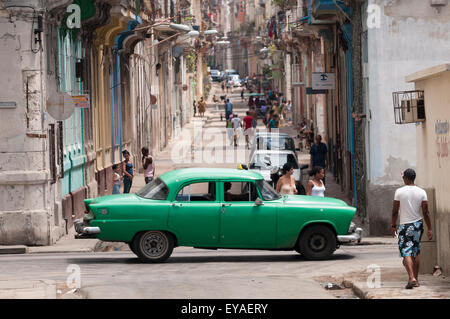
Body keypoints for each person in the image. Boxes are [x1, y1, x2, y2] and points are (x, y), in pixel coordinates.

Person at [391, 168, 432, 289]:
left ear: (407, 178)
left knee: (406, 252)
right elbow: (426, 212)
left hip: (405, 225)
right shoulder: (422, 192)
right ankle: (417, 280)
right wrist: (429, 228)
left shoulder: (399, 192)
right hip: (418, 225)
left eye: (403, 177)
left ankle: (411, 278)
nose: (403, 179)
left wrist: (393, 225)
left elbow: (394, 211)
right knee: (415, 251)